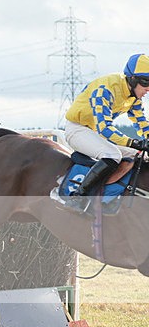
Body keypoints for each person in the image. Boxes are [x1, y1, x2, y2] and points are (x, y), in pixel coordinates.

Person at [62, 53, 149, 212]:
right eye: (146, 83)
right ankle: (78, 198)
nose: (148, 89)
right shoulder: (106, 89)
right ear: (133, 79)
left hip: (93, 132)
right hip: (77, 129)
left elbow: (142, 123)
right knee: (112, 155)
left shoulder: (134, 97)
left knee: (135, 154)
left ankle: (113, 196)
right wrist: (134, 142)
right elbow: (105, 129)